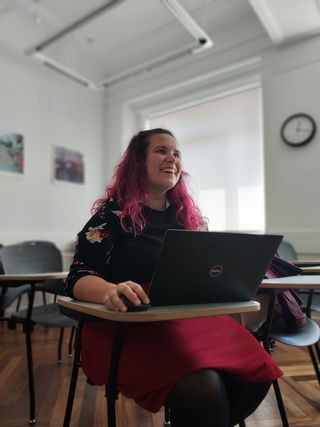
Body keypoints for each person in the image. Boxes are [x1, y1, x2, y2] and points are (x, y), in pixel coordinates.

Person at [65, 128, 282, 427]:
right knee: (204, 390)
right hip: (124, 326)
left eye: (177, 153)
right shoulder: (111, 216)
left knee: (259, 370)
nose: (173, 159)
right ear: (138, 162)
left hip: (186, 321)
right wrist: (109, 291)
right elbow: (78, 276)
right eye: (161, 151)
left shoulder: (188, 220)